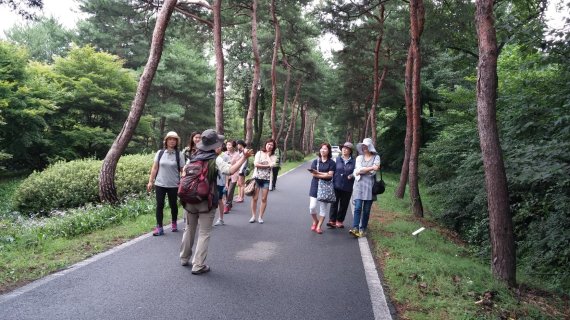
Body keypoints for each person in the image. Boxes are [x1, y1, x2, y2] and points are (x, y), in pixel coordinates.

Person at [180, 129, 253, 274]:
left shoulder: (193, 156)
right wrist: (244, 158)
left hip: (189, 199)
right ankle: (198, 265)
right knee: (204, 232)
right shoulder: (215, 159)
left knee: (189, 229)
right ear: (214, 145)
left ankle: (184, 258)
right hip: (206, 200)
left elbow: (184, 173)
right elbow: (230, 170)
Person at [147, 131, 186, 236]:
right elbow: (155, 168)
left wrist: (183, 180)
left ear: (177, 142)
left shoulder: (179, 154)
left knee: (173, 205)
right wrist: (150, 181)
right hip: (160, 184)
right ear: (166, 141)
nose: (172, 141)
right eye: (170, 139)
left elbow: (183, 169)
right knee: (160, 205)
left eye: (174, 139)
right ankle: (159, 227)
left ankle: (174, 223)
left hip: (174, 184)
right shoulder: (160, 153)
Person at [350, 138, 381, 238]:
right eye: (363, 146)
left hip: (370, 187)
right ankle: (355, 228)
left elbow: (373, 172)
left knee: (366, 210)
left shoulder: (376, 157)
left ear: (370, 147)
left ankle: (363, 228)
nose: (364, 147)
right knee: (358, 207)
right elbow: (358, 171)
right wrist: (372, 167)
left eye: (366, 146)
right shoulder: (359, 158)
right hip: (359, 185)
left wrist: (364, 170)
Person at [308, 143, 336, 234]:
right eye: (322, 148)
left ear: (328, 151)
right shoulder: (316, 161)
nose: (323, 150)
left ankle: (319, 226)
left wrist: (319, 173)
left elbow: (330, 176)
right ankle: (315, 221)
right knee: (312, 207)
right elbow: (313, 174)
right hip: (315, 185)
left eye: (325, 149)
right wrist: (325, 174)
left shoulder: (332, 163)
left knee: (323, 208)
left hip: (326, 187)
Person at [327, 142, 355, 229]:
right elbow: (332, 170)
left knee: (344, 204)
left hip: (347, 186)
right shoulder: (336, 159)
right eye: (343, 148)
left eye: (346, 148)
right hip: (336, 185)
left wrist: (352, 175)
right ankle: (332, 221)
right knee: (334, 203)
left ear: (350, 151)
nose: (344, 149)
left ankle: (340, 221)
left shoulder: (354, 161)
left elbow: (357, 172)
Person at [250, 139, 277, 223]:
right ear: (265, 144)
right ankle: (253, 216)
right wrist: (267, 165)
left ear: (273, 147)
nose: (269, 146)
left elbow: (272, 165)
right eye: (268, 144)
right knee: (255, 198)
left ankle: (260, 217)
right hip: (257, 178)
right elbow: (256, 164)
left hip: (267, 179)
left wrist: (268, 156)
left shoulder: (274, 156)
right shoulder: (259, 153)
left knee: (264, 198)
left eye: (271, 145)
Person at [223, 140, 240, 213]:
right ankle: (229, 203)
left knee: (230, 190)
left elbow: (238, 165)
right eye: (227, 145)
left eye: (229, 145)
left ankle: (227, 206)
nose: (228, 146)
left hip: (234, 175)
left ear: (233, 146)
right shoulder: (224, 154)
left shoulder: (237, 155)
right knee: (225, 190)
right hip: (225, 175)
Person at [214, 150, 230, 226]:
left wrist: (226, 183)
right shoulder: (209, 154)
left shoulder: (225, 156)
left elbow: (227, 171)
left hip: (220, 182)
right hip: (211, 182)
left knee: (219, 199)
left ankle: (221, 218)